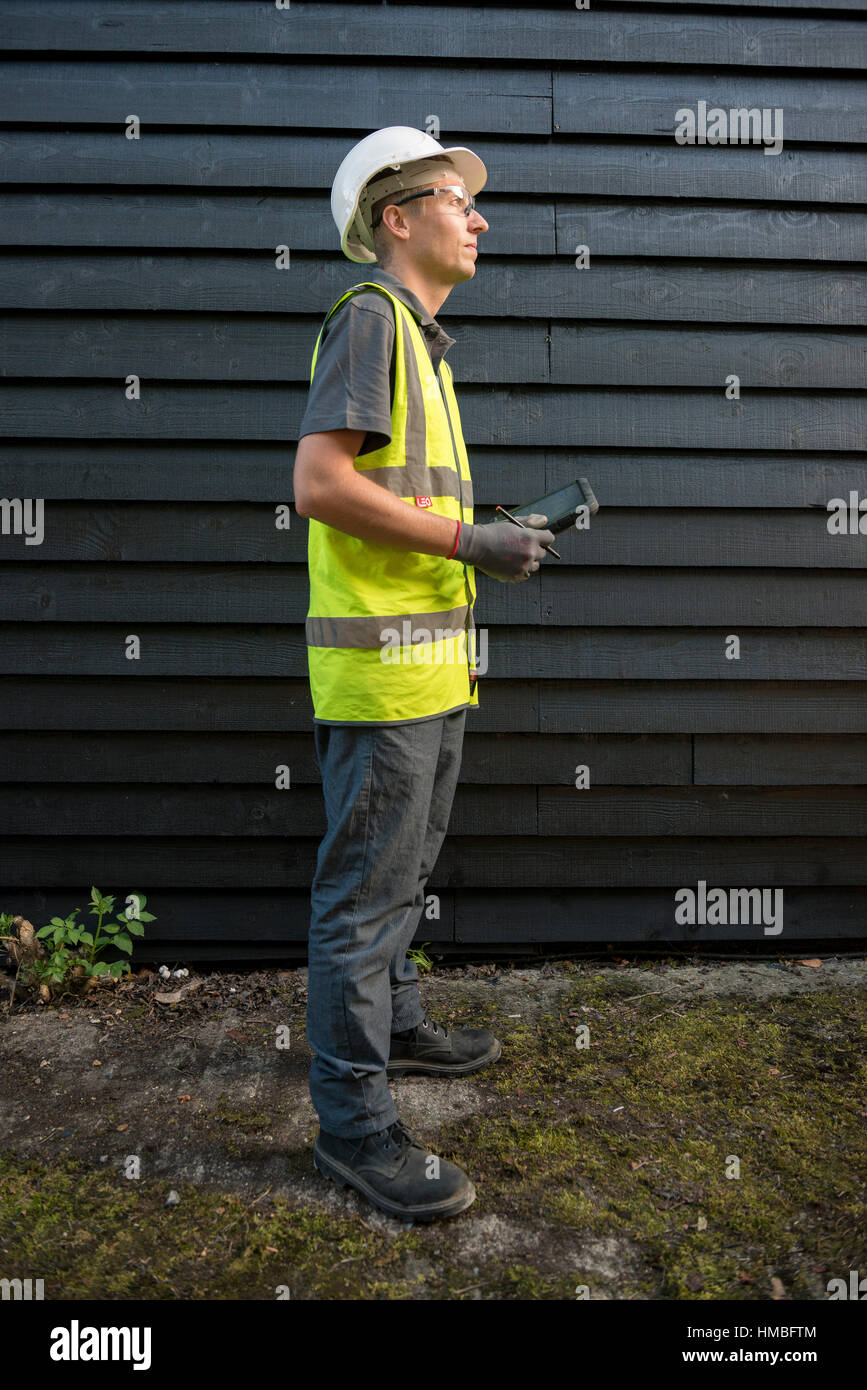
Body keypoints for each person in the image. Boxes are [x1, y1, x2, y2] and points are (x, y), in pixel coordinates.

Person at [293, 127, 555, 1222]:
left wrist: (480, 531)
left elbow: (403, 503)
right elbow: (317, 483)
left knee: (398, 879)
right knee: (363, 900)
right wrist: (465, 547)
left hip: (431, 674)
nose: (479, 216)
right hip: (385, 682)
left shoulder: (419, 340)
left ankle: (396, 1026)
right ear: (398, 219)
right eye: (458, 198)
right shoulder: (371, 318)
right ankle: (353, 1127)